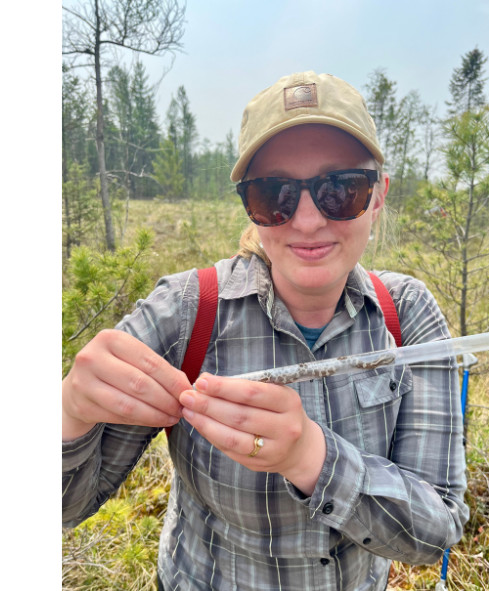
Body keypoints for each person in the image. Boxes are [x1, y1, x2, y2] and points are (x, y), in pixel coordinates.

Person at [62, 71, 468, 591]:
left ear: (378, 195)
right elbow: (68, 506)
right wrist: (70, 412)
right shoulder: (186, 313)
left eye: (340, 189)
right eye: (273, 192)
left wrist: (311, 458)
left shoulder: (407, 317)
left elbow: (437, 533)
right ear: (248, 206)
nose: (305, 221)